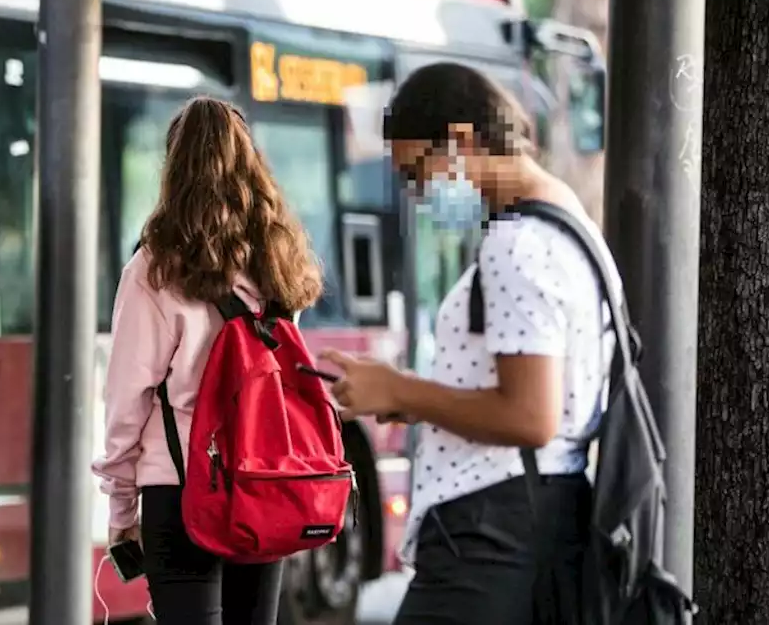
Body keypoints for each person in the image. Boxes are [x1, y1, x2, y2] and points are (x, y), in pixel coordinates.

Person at [320, 62, 620, 624]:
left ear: (459, 140)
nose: (419, 193)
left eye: (417, 172)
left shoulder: (516, 245)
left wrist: (402, 387)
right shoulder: (566, 223)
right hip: (533, 519)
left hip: (491, 533)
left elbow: (531, 416)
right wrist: (413, 397)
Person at [91, 96, 323, 625]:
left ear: (174, 168)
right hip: (264, 478)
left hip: (181, 490)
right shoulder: (279, 260)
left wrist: (122, 508)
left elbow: (127, 400)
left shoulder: (154, 268)